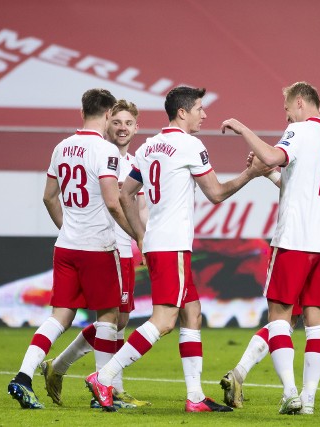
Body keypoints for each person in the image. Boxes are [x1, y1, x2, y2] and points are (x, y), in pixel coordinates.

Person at [84, 86, 268, 412]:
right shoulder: (189, 145)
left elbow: (127, 194)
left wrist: (141, 236)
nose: (204, 114)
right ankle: (104, 375)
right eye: (199, 108)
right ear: (182, 112)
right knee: (165, 320)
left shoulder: (150, 145)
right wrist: (251, 174)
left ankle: (195, 397)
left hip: (158, 243)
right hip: (172, 246)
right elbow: (216, 193)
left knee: (192, 314)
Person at [220, 112, 320, 412]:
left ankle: (241, 372)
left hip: (301, 244)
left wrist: (266, 174)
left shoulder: (313, 147)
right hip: (318, 247)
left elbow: (298, 191)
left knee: (287, 318)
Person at [8, 88, 142, 409]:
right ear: (108, 114)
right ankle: (102, 393)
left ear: (82, 112)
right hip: (98, 248)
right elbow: (113, 202)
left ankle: (23, 377)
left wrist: (68, 228)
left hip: (66, 246)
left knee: (59, 318)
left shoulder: (62, 147)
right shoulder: (105, 151)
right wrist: (139, 236)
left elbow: (48, 197)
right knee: (109, 316)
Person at [220, 82, 320, 415]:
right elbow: (297, 178)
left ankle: (290, 391)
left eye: (287, 109)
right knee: (318, 323)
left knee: (279, 317)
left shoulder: (299, 130)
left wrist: (242, 128)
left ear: (300, 103)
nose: (286, 115)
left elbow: (275, 155)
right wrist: (272, 170)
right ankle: (308, 402)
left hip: (294, 241)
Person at [39, 99, 150, 409]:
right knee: (111, 318)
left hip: (123, 248)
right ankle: (109, 388)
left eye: (129, 123)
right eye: (117, 122)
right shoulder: (99, 154)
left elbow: (139, 207)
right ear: (107, 121)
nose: (122, 128)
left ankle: (60, 366)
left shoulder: (133, 163)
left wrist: (142, 240)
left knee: (119, 319)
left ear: (136, 127)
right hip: (102, 247)